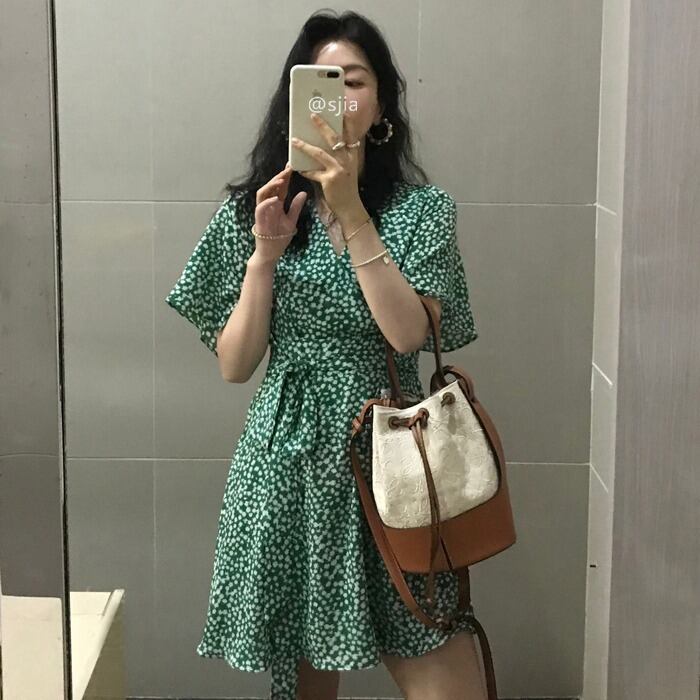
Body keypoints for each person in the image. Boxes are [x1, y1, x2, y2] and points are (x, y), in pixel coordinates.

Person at [165, 9, 485, 700]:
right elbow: (235, 364)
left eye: (355, 81)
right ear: (295, 99)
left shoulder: (424, 212)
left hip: (390, 461)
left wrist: (353, 210)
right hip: (286, 461)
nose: (338, 97)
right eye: (322, 82)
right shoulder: (257, 211)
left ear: (382, 106)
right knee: (307, 679)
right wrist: (265, 255)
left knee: (445, 673)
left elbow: (406, 335)